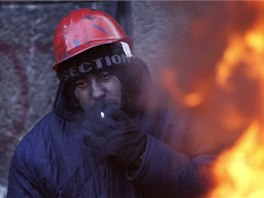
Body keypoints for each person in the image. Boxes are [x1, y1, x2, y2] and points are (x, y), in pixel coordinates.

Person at [7, 8, 213, 198]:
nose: (96, 93)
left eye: (105, 76)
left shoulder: (177, 113)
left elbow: (219, 184)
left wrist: (140, 151)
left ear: (126, 75)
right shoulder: (36, 151)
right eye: (81, 83)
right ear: (70, 90)